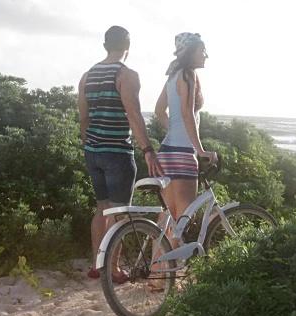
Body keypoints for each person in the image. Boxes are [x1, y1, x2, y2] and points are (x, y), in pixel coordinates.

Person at [78, 25, 164, 283]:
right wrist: (148, 150)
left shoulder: (87, 76)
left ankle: (96, 265)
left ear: (105, 45)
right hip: (117, 153)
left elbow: (84, 118)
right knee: (118, 212)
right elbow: (134, 116)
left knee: (101, 208)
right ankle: (113, 270)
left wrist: (89, 147)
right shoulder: (126, 75)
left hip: (93, 152)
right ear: (128, 44)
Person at [154, 32, 217, 248]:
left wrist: (173, 127)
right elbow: (188, 113)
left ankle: (157, 272)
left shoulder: (173, 75)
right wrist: (200, 151)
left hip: (166, 151)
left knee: (166, 219)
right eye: (202, 50)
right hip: (182, 153)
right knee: (182, 220)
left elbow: (158, 110)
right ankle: (171, 275)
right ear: (191, 53)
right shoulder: (188, 75)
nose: (206, 55)